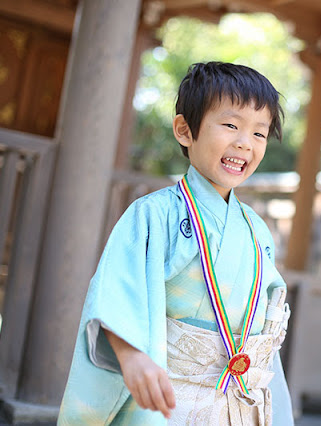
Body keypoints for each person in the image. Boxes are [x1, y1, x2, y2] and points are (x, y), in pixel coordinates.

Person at [58, 62, 293, 425]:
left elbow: (266, 319)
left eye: (259, 133)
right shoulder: (153, 215)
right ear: (185, 130)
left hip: (238, 401)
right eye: (231, 125)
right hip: (169, 396)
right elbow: (117, 296)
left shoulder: (257, 230)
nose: (245, 143)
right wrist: (133, 357)